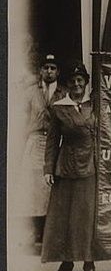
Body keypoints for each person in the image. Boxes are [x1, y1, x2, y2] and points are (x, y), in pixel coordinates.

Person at [42, 63, 97, 271]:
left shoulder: (94, 105)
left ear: (86, 82)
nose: (76, 84)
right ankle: (66, 262)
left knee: (86, 217)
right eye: (73, 81)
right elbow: (52, 141)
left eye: (80, 80)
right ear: (67, 84)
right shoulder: (59, 107)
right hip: (65, 167)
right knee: (64, 217)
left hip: (89, 166)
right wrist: (48, 169)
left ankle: (89, 262)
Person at [18, 54, 66, 247]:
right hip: (35, 138)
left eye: (53, 67)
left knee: (51, 184)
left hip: (55, 141)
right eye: (45, 67)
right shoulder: (31, 92)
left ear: (58, 72)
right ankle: (35, 230)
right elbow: (21, 118)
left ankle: (50, 231)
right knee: (31, 185)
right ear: (40, 70)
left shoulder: (64, 93)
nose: (49, 71)